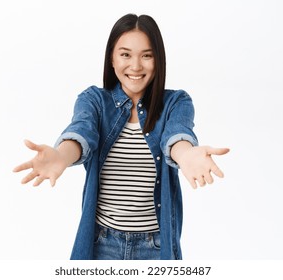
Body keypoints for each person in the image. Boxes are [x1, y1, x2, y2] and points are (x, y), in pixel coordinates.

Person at [13, 13, 229, 260]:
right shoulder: (94, 100)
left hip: (156, 247)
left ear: (158, 60)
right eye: (125, 54)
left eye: (146, 55)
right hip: (101, 244)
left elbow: (177, 136)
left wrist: (187, 154)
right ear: (112, 59)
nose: (135, 66)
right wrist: (61, 156)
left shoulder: (176, 102)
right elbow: (82, 130)